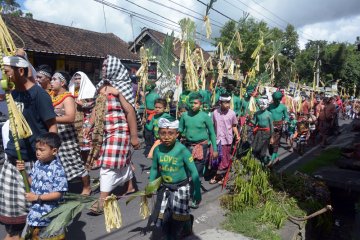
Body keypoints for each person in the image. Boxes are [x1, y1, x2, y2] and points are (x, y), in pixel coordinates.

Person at [0, 55, 57, 240]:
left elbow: (52, 129)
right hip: (12, 162)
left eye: (7, 71)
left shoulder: (39, 95)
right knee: (13, 226)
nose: (4, 75)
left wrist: (49, 162)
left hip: (33, 163)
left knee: (36, 221)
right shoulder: (11, 93)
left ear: (21, 71)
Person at [85, 55, 140, 214]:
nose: (103, 69)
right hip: (104, 131)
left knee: (108, 165)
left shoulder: (122, 87)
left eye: (105, 66)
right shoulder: (101, 86)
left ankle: (102, 200)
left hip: (120, 131)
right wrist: (89, 124)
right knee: (121, 160)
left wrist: (134, 137)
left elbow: (130, 111)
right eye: (102, 66)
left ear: (114, 67)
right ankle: (130, 186)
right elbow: (97, 108)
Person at [149, 117, 201, 239]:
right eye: (163, 133)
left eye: (170, 133)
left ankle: (181, 229)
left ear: (177, 134)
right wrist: (151, 185)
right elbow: (155, 169)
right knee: (164, 216)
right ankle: (170, 234)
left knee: (179, 217)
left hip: (181, 188)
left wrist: (197, 191)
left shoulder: (182, 150)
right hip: (165, 188)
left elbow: (193, 172)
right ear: (158, 134)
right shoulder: (157, 150)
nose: (166, 137)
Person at [16, 133, 68, 239]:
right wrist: (23, 172)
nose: (38, 152)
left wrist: (37, 197)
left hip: (49, 217)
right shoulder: (37, 164)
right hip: (35, 215)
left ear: (54, 151)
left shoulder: (57, 169)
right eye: (37, 149)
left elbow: (58, 193)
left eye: (42, 150)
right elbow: (32, 182)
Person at [50, 71, 91, 196]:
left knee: (75, 162)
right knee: (58, 163)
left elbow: (70, 117)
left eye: (54, 79)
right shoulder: (52, 96)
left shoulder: (67, 98)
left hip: (67, 136)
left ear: (62, 83)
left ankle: (87, 187)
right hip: (55, 134)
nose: (51, 82)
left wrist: (51, 118)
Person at [178, 92, 218, 179]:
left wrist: (215, 149)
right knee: (187, 166)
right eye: (191, 103)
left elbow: (212, 133)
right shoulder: (184, 116)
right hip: (188, 145)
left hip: (201, 145)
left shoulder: (205, 117)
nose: (193, 105)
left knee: (198, 167)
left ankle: (195, 185)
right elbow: (180, 130)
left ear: (200, 104)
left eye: (195, 103)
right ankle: (188, 185)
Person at [210, 93, 239, 184]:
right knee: (215, 159)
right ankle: (217, 174)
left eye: (228, 102)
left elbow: (234, 125)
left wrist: (237, 135)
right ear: (220, 102)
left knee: (224, 158)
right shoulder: (215, 113)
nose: (227, 104)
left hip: (227, 140)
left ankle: (222, 175)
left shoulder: (232, 113)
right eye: (225, 103)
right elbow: (211, 126)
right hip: (217, 139)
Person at [68, 71, 96, 164]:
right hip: (75, 117)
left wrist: (84, 104)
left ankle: (91, 160)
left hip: (86, 118)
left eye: (79, 78)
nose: (77, 80)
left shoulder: (90, 89)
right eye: (75, 78)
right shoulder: (72, 89)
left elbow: (95, 104)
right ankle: (82, 161)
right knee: (77, 141)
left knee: (86, 140)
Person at [268, 91, 289, 165]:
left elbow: (286, 116)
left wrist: (286, 120)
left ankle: (271, 161)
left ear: (280, 99)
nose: (276, 101)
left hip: (278, 127)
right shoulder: (270, 106)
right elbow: (266, 114)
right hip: (270, 126)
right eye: (275, 100)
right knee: (270, 144)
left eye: (278, 100)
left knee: (275, 144)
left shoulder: (283, 107)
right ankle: (276, 158)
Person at [251, 98, 273, 165]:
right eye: (261, 105)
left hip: (266, 133)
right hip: (258, 132)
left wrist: (272, 137)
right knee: (254, 148)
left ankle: (266, 161)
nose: (262, 106)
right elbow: (254, 122)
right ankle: (255, 161)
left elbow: (271, 125)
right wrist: (249, 119)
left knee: (263, 149)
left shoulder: (269, 114)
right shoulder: (257, 113)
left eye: (263, 104)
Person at [143, 81, 160, 156]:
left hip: (154, 115)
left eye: (148, 85)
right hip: (147, 115)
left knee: (152, 132)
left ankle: (153, 149)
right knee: (147, 132)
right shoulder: (146, 95)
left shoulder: (156, 96)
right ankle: (148, 147)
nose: (146, 87)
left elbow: (159, 105)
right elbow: (145, 105)